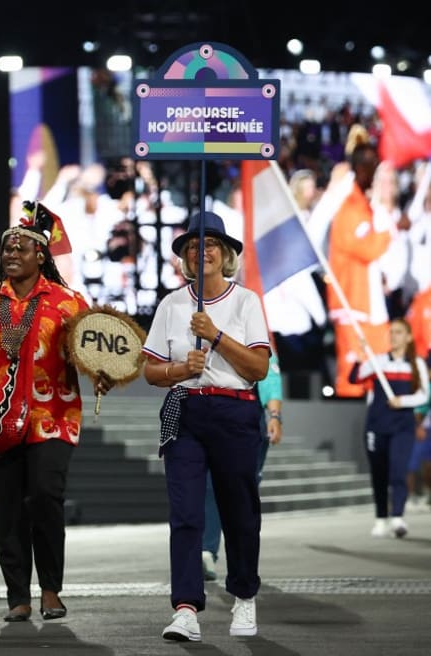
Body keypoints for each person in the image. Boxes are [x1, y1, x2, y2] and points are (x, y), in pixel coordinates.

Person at [0, 202, 112, 623]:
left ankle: (51, 590)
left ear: (40, 255)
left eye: (20, 249)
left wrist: (102, 375)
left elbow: (90, 352)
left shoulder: (69, 302)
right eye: (7, 250)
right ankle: (17, 596)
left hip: (54, 416)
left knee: (44, 496)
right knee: (9, 508)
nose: (11, 255)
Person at [141, 211, 270, 642]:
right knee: (185, 514)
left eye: (211, 244)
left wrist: (215, 336)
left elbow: (258, 367)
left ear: (226, 254)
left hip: (235, 413)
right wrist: (180, 368)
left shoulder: (245, 301)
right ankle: (185, 609)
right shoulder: (171, 304)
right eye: (193, 247)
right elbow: (150, 370)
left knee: (239, 511)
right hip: (186, 412)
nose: (202, 251)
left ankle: (245, 597)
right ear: (186, 260)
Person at [202, 350, 283, 581]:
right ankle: (207, 551)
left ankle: (242, 564)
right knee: (210, 488)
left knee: (240, 494)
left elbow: (271, 379)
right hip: (212, 417)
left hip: (248, 422)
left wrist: (275, 416)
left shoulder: (255, 335)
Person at [327, 127, 393, 397]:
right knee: (352, 370)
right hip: (351, 301)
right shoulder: (350, 207)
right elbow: (364, 249)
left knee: (376, 367)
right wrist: (389, 230)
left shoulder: (361, 204)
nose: (374, 170)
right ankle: (349, 425)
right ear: (360, 169)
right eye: (370, 166)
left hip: (368, 304)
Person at [350, 318, 429, 538]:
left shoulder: (417, 364)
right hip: (376, 425)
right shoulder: (378, 362)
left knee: (398, 470)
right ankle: (381, 518)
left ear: (409, 337)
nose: (394, 336)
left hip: (403, 426)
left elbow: (424, 395)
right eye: (391, 332)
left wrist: (402, 401)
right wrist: (361, 354)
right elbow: (354, 377)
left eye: (399, 332)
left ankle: (397, 517)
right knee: (379, 474)